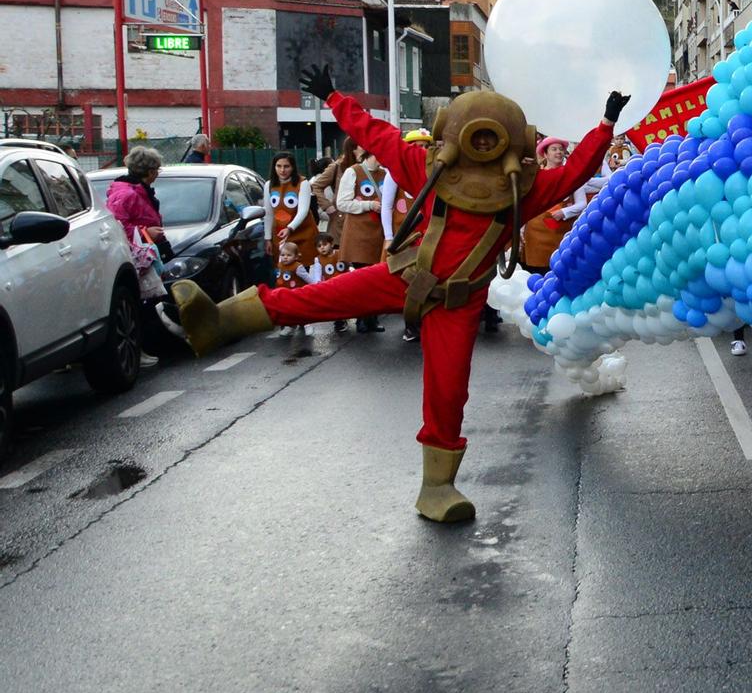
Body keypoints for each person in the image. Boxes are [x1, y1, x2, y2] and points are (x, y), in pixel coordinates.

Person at [171, 65, 623, 524]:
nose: (483, 144)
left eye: (492, 137)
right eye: (476, 134)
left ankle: (438, 487)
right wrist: (333, 97)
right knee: (316, 298)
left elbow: (577, 171)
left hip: (458, 303)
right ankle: (220, 321)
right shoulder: (424, 167)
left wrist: (605, 126)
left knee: (448, 394)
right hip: (404, 274)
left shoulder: (521, 189)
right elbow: (377, 134)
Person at [107, 146, 170, 368]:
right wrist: (146, 231)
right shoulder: (127, 193)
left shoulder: (137, 190)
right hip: (136, 255)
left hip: (146, 251)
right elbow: (119, 225)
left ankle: (146, 347)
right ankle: (138, 349)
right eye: (157, 170)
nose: (157, 174)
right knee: (141, 304)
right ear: (150, 171)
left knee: (148, 302)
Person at [379, 130, 430, 342]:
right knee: (403, 281)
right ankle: (410, 324)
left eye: (425, 145)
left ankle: (422, 323)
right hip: (402, 236)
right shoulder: (395, 172)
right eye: (416, 145)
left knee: (424, 280)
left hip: (426, 236)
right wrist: (389, 236)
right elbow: (387, 206)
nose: (421, 149)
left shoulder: (433, 170)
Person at [337, 145, 390, 332]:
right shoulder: (353, 172)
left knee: (376, 277)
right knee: (362, 278)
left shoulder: (386, 174)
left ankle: (372, 318)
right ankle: (362, 318)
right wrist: (369, 205)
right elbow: (342, 203)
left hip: (380, 233)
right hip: (359, 233)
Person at [518, 138, 576, 274]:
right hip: (536, 232)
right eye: (554, 149)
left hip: (561, 232)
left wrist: (565, 211)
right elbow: (526, 204)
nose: (558, 152)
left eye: (561, 149)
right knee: (536, 271)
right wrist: (521, 229)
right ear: (545, 154)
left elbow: (581, 203)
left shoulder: (571, 174)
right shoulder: (535, 176)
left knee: (561, 268)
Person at [264, 154, 316, 273]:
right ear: (274, 167)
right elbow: (268, 213)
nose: (282, 170)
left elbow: (303, 210)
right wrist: (267, 238)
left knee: (305, 269)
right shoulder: (269, 185)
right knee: (284, 273)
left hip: (303, 233)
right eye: (279, 166)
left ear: (293, 167)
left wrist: (290, 228)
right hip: (281, 236)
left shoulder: (303, 183)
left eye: (286, 166)